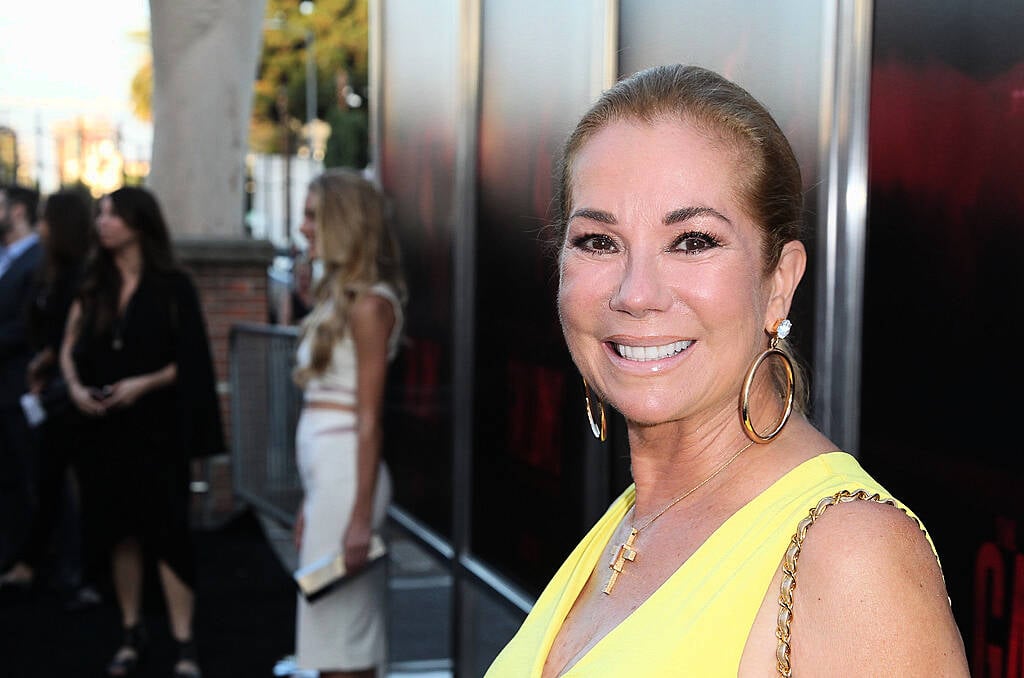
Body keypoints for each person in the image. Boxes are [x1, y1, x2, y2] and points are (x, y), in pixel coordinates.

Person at [485, 65, 969, 676]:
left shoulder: (849, 557)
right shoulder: (636, 520)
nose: (637, 294)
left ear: (779, 282)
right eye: (598, 242)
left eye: (692, 241)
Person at [59, 186, 223, 678]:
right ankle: (131, 630)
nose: (102, 223)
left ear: (138, 223)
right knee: (118, 532)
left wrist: (141, 385)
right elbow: (67, 346)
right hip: (104, 430)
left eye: (112, 215)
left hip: (157, 430)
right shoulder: (94, 284)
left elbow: (191, 360)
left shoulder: (173, 286)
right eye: (100, 215)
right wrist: (73, 388)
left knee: (169, 532)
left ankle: (183, 638)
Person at [290, 168, 405, 678]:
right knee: (333, 637)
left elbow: (368, 422)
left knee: (343, 645)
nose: (303, 227)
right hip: (329, 483)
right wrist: (310, 503)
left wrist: (358, 516)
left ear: (342, 221)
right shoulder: (341, 298)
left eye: (313, 215)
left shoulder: (371, 305)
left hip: (346, 481)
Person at [0, 189, 100, 608]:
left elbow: (61, 334)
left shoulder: (72, 273)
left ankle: (73, 569)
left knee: (56, 480)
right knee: (37, 477)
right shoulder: (49, 268)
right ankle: (39, 560)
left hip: (59, 391)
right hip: (43, 384)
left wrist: (52, 366)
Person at [0, 184, 42, 576]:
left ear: (16, 212)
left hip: (19, 387)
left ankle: (33, 561)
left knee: (30, 477)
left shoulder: (38, 260)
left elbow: (28, 327)